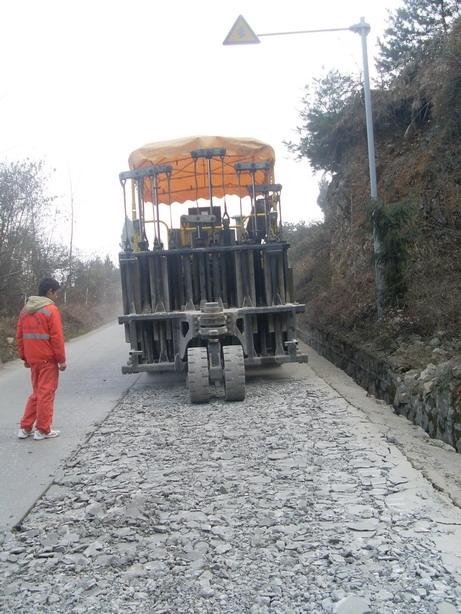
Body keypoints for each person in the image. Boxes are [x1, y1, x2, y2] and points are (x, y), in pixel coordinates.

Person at [16, 278, 67, 440]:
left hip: (33, 359)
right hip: (47, 360)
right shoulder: (51, 310)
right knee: (46, 394)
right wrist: (61, 360)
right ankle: (43, 430)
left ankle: (25, 428)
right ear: (50, 291)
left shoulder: (25, 310)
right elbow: (57, 338)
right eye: (56, 293)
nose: (57, 297)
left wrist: (25, 357)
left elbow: (20, 337)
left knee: (37, 393)